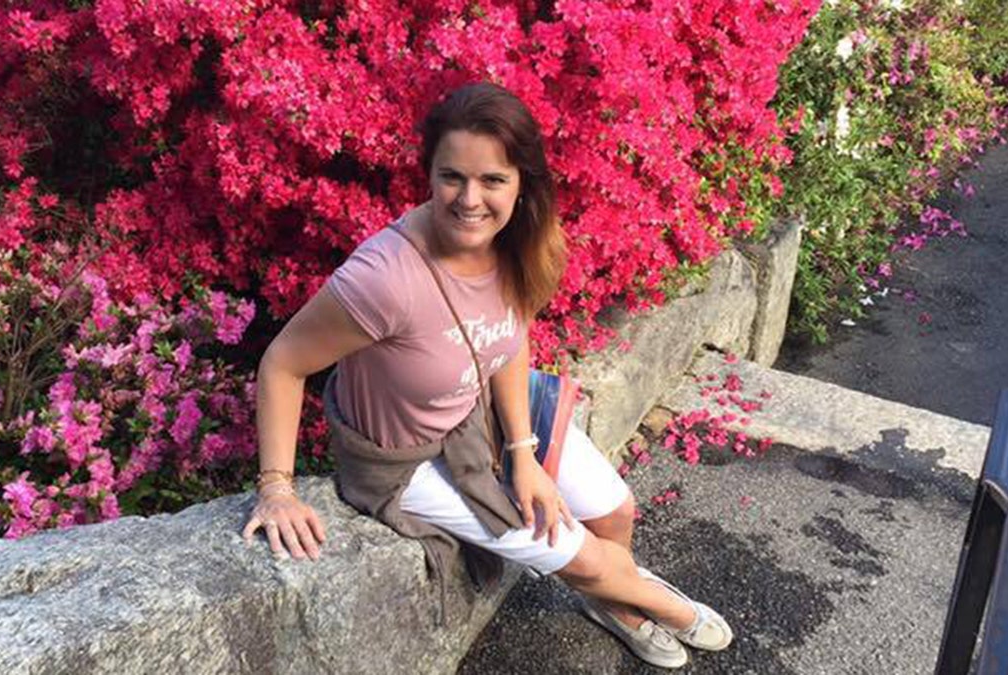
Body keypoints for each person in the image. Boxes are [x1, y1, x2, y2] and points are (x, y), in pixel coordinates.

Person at [240, 82, 732, 669]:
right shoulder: (384, 278)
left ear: (522, 183)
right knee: (587, 557)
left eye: (493, 180)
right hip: (407, 459)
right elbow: (283, 362)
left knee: (615, 511)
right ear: (429, 175)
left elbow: (504, 342)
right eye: (452, 177)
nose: (470, 199)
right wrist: (276, 488)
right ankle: (653, 601)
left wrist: (523, 454)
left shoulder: (518, 244)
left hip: (482, 415)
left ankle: (612, 605)